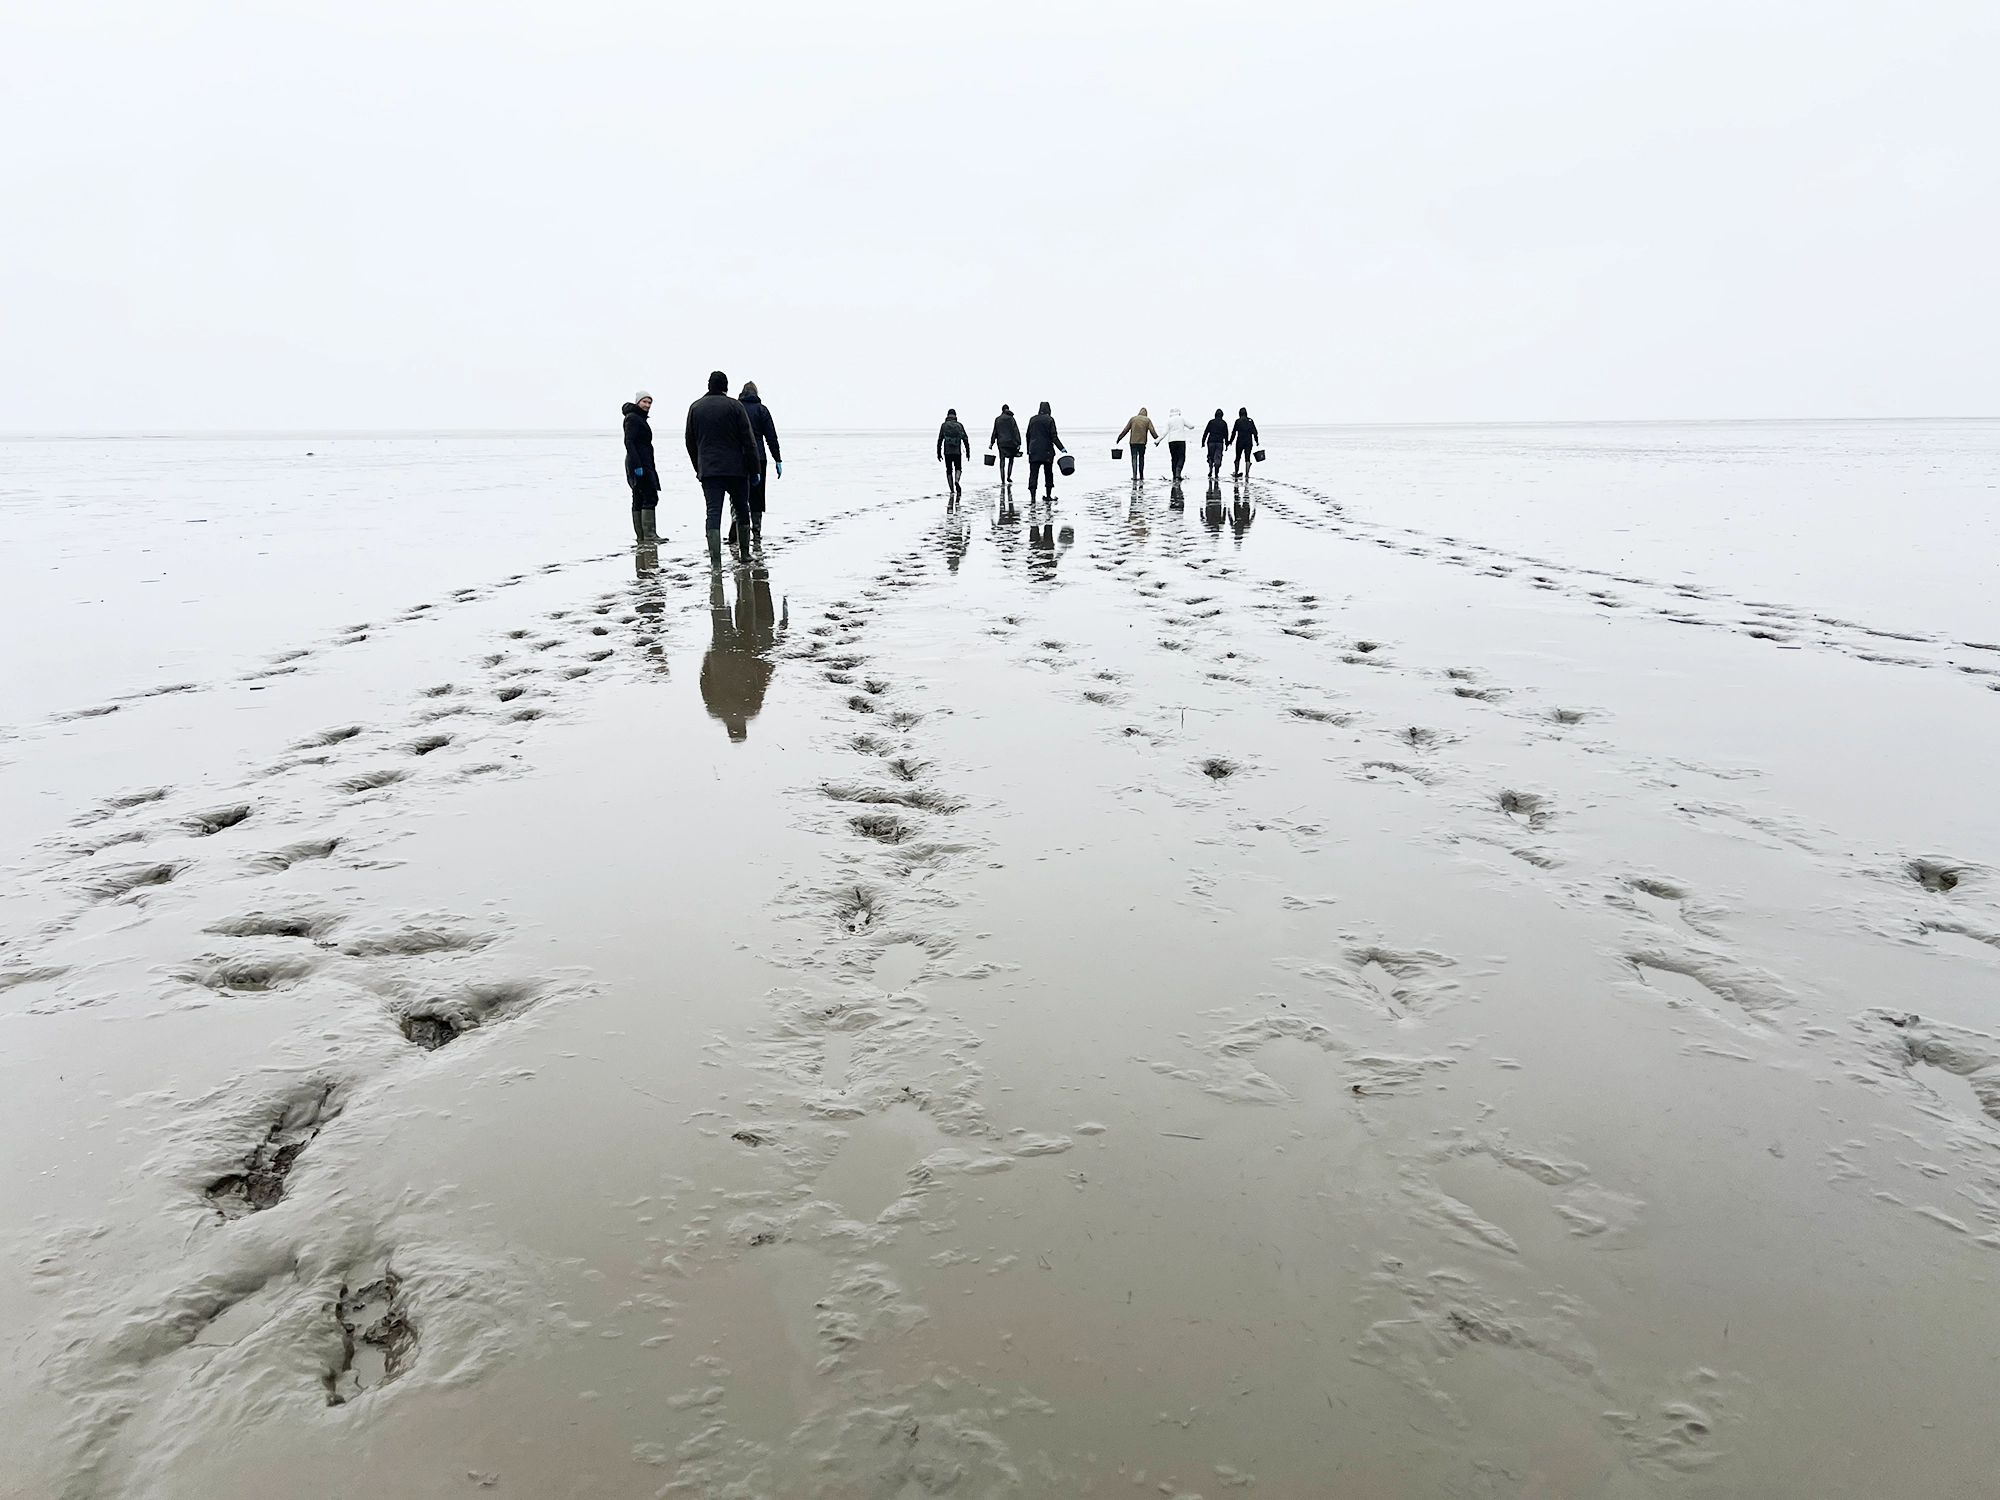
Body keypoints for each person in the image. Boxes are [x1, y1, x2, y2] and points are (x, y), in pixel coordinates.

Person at [685, 370, 760, 561]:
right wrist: (755, 469)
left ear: (709, 385)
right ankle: (744, 553)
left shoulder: (695, 408)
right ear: (726, 387)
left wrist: (699, 467)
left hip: (709, 471)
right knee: (742, 509)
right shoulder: (735, 406)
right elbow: (748, 441)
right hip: (737, 470)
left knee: (713, 512)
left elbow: (690, 443)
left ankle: (716, 562)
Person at [739, 381, 782, 543]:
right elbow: (771, 437)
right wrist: (777, 459)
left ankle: (738, 527)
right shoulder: (762, 410)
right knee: (757, 496)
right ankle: (756, 532)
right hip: (759, 458)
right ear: (756, 393)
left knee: (739, 495)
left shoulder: (736, 408)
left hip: (739, 458)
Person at [622, 391, 659, 540]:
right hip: (638, 462)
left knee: (639, 496)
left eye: (649, 402)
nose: (647, 405)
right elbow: (629, 442)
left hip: (644, 461)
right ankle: (649, 535)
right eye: (644, 402)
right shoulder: (633, 418)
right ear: (638, 402)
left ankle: (642, 536)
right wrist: (637, 465)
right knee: (649, 495)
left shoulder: (639, 418)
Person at [1025, 401, 1067, 500]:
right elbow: (1054, 437)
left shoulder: (1032, 419)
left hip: (1034, 451)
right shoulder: (1050, 420)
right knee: (1048, 473)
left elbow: (1028, 435)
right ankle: (1048, 495)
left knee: (1033, 474)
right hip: (1047, 451)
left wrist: (1028, 450)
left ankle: (1033, 498)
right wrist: (1062, 448)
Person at [1115, 407, 1159, 481]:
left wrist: (1119, 438)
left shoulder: (1133, 419)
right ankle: (1141, 476)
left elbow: (1126, 429)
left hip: (1133, 442)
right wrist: (1157, 439)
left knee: (1134, 458)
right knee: (1141, 458)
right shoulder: (1147, 420)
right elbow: (1152, 431)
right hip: (1142, 443)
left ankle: (1134, 476)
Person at [936, 408, 971, 500]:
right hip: (957, 451)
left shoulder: (944, 426)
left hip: (947, 451)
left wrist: (938, 452)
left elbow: (940, 439)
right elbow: (965, 439)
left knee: (948, 470)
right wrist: (968, 451)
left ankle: (952, 490)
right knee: (958, 468)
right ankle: (957, 480)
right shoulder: (959, 426)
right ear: (955, 415)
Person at [1160, 407, 1195, 482]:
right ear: (1179, 413)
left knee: (1174, 458)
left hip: (1171, 441)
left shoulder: (1169, 421)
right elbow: (1191, 426)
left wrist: (1157, 441)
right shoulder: (1181, 419)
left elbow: (1164, 433)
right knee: (1181, 457)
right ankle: (1178, 474)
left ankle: (1174, 475)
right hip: (1181, 440)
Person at [989, 404, 1021, 484]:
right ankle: (1009, 476)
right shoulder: (1011, 419)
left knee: (1002, 460)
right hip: (1011, 443)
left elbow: (995, 432)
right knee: (1011, 460)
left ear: (1002, 410)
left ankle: (1002, 479)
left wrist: (991, 443)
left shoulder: (998, 419)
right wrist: (1019, 442)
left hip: (1001, 443)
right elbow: (1016, 431)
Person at [1230, 407, 1260, 479]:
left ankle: (1236, 472)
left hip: (1240, 441)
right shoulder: (1250, 421)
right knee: (1247, 458)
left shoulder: (1238, 421)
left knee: (1238, 457)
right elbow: (1255, 432)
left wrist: (1230, 441)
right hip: (1248, 442)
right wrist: (1256, 440)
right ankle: (1247, 473)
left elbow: (1234, 432)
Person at [1202, 408, 1230, 481]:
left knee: (1210, 456)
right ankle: (1216, 473)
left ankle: (1210, 468)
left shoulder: (1211, 422)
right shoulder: (1223, 423)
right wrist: (1227, 443)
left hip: (1210, 442)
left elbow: (1206, 432)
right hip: (1219, 442)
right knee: (1218, 457)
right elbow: (1226, 434)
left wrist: (1203, 441)